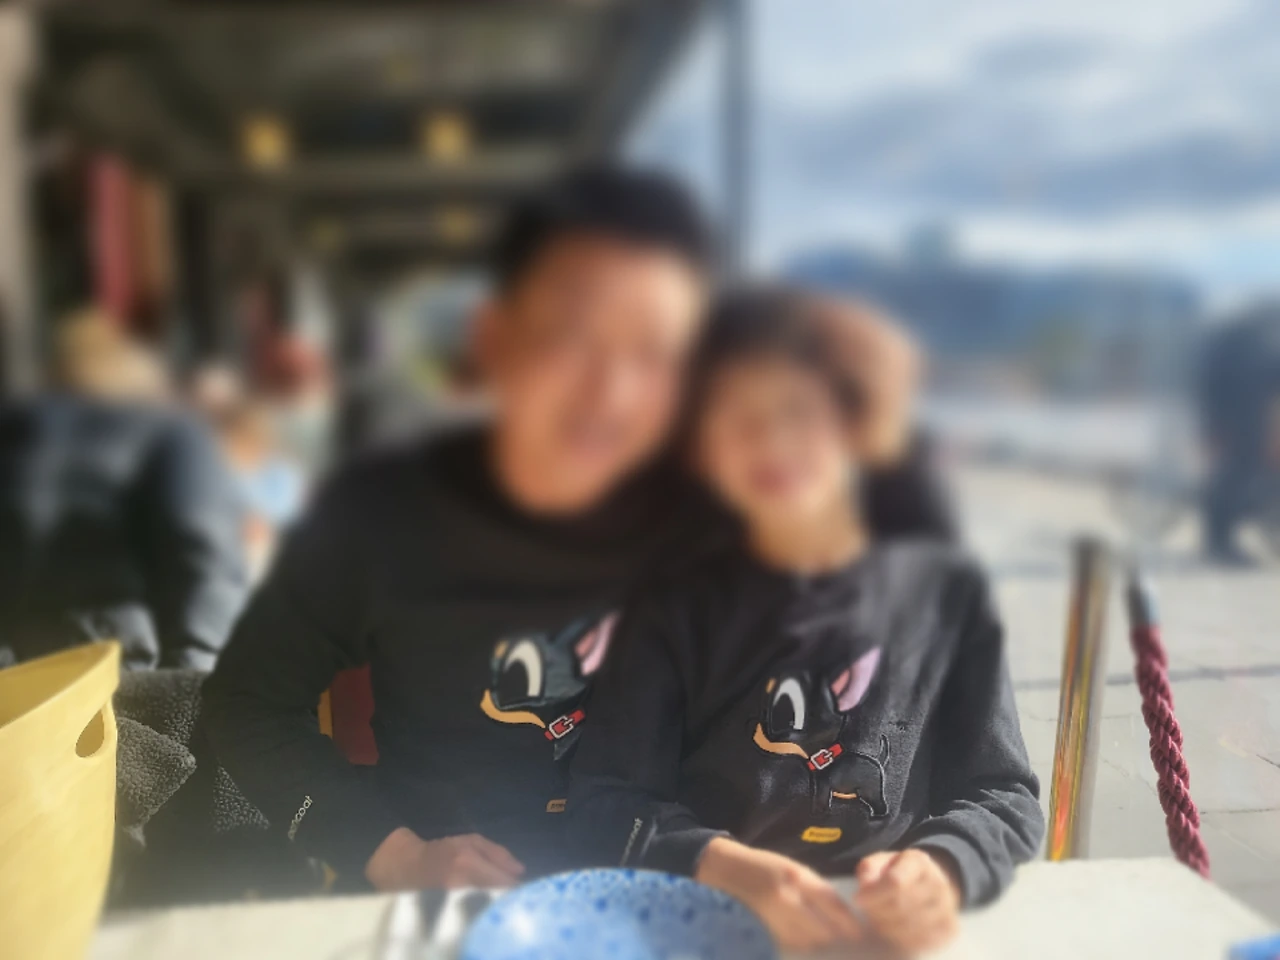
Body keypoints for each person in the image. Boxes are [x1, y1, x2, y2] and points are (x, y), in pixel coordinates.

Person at [202, 165, 956, 895]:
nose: (611, 393)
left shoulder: (722, 500)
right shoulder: (386, 515)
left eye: (655, 351)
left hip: (690, 899)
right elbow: (247, 705)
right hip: (469, 906)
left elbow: (903, 575)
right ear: (495, 338)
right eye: (571, 337)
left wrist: (868, 402)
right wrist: (393, 855)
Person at [567, 287, 1042, 954]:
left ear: (858, 420)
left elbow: (1005, 795)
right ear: (699, 449)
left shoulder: (949, 597)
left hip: (883, 935)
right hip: (709, 930)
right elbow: (604, 799)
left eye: (797, 409)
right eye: (735, 418)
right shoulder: (671, 607)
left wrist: (945, 865)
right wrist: (717, 865)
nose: (770, 441)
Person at [0, 311, 249, 669]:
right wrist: (201, 679)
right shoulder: (169, 432)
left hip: (14, 673)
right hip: (115, 664)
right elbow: (203, 552)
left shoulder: (15, 434)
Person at [1196, 302, 1280, 564]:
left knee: (1245, 470)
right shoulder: (1251, 338)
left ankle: (1223, 536)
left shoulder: (1260, 332)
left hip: (1246, 409)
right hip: (1234, 411)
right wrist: (1216, 422)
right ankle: (1219, 541)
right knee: (1236, 471)